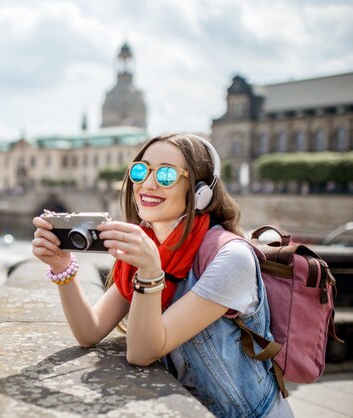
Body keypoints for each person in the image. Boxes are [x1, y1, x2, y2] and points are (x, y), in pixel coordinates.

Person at [31, 133, 293, 417]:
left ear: (200, 191)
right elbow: (89, 332)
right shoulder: (150, 246)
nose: (148, 183)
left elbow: (142, 353)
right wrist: (62, 268)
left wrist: (150, 271)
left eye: (167, 174)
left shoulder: (231, 259)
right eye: (141, 170)